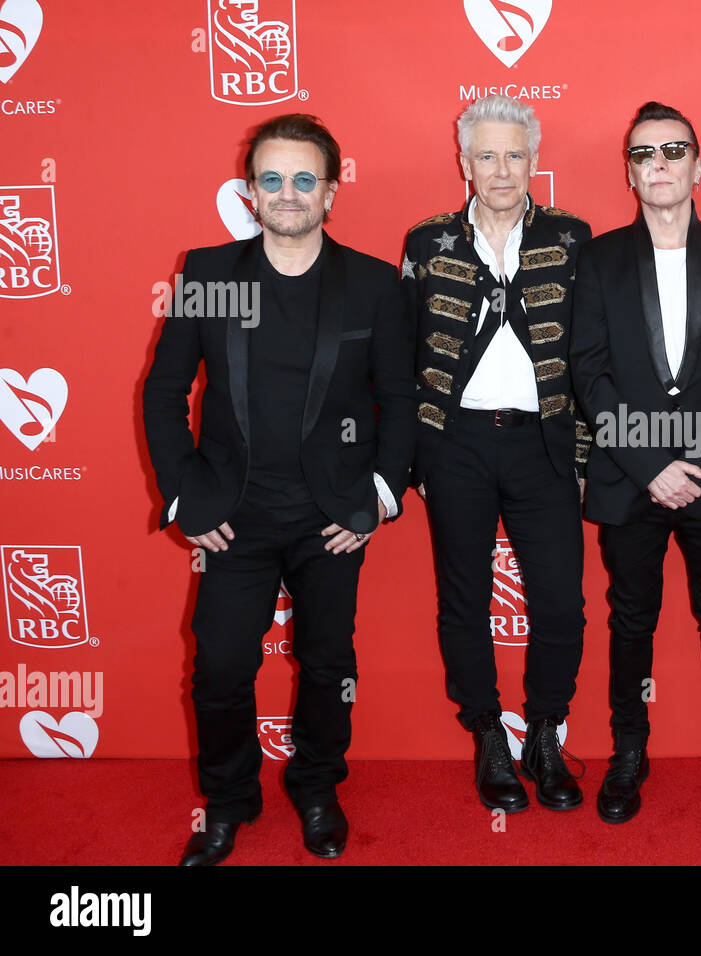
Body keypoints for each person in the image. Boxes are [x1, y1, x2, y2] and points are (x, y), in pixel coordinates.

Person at [143, 113, 415, 865]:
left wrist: (378, 497)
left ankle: (318, 786)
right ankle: (230, 798)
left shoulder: (372, 284)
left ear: (330, 190)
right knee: (222, 666)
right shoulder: (207, 274)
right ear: (250, 191)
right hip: (234, 517)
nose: (287, 193)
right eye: (272, 179)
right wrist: (183, 499)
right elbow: (163, 393)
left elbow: (401, 398)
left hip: (332, 517)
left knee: (330, 663)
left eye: (304, 179)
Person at [570, 101, 701, 824]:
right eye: (642, 153)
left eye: (672, 150)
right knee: (631, 621)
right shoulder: (595, 259)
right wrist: (651, 463)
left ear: (698, 164)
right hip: (631, 481)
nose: (657, 163)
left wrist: (699, 461)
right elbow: (589, 373)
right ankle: (630, 749)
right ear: (628, 171)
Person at [401, 95, 591, 813]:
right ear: (464, 163)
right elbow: (404, 353)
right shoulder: (426, 243)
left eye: (515, 154)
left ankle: (544, 733)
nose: (502, 169)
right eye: (487, 154)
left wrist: (582, 454)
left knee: (559, 603)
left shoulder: (575, 239)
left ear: (535, 160)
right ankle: (486, 735)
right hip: (457, 445)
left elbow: (591, 354)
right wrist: (416, 455)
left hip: (544, 442)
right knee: (463, 600)